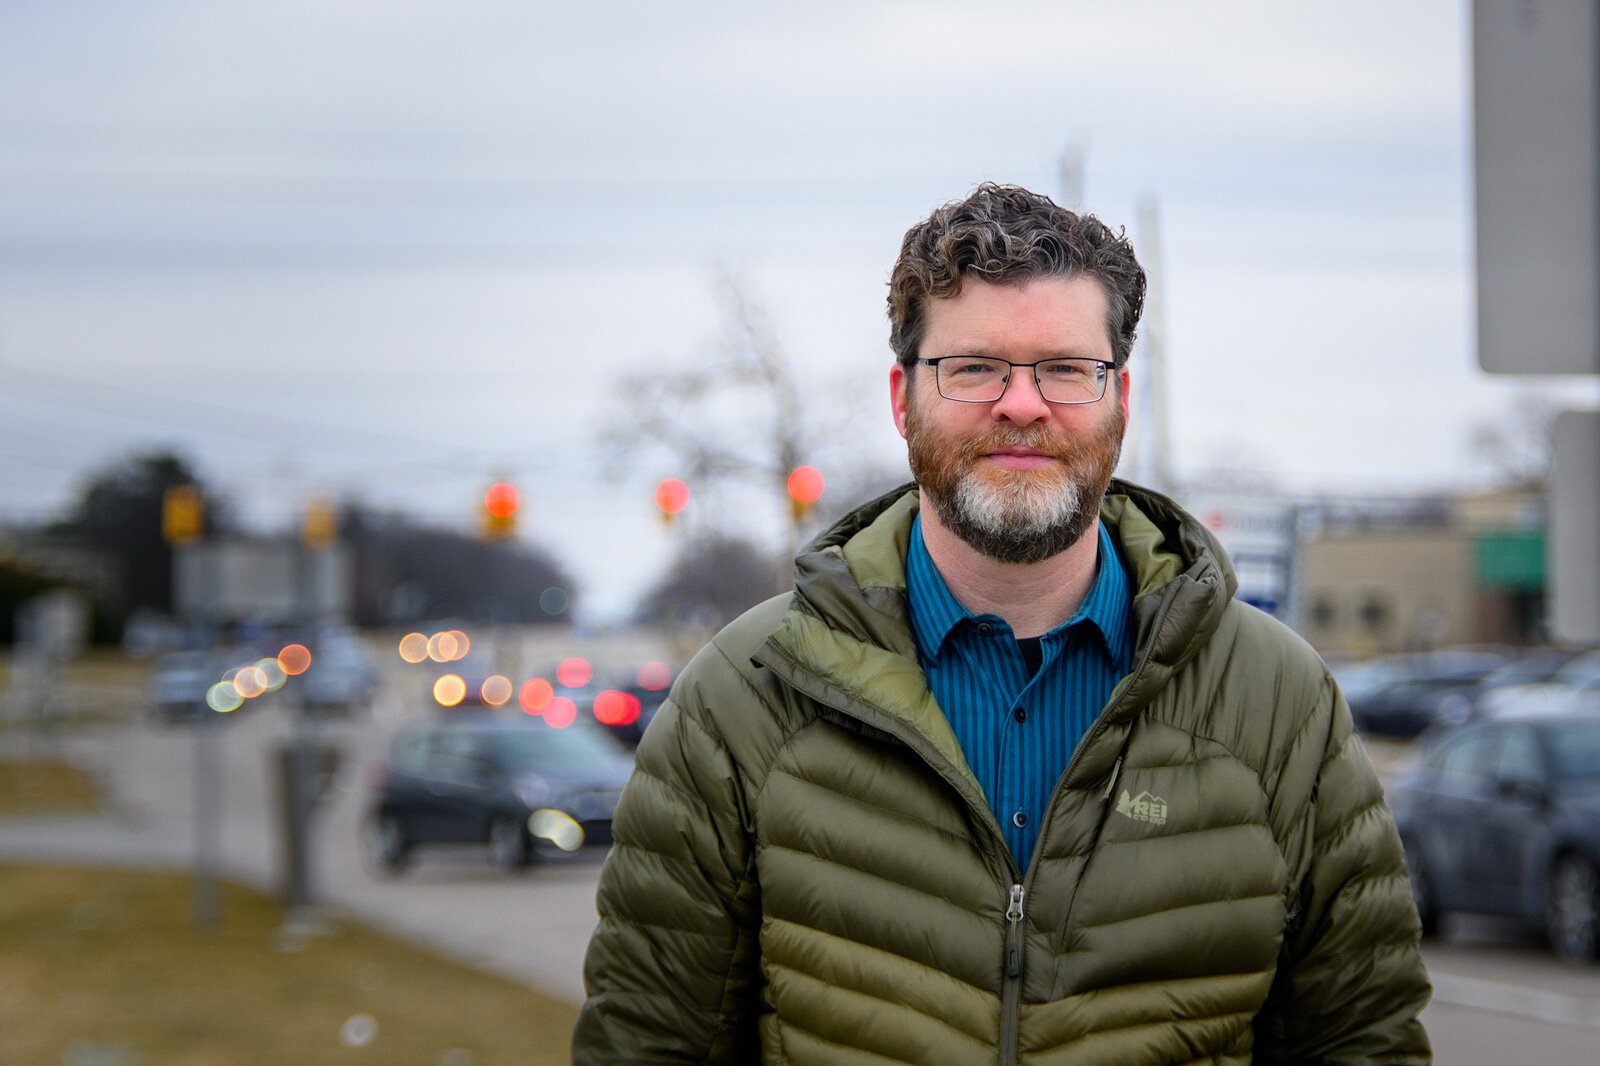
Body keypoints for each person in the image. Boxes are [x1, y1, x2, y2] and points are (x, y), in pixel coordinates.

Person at [573, 183, 1432, 1064]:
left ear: (1120, 400)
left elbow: (1366, 1043)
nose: (1022, 405)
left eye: (1064, 368)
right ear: (903, 397)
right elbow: (646, 1045)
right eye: (975, 366)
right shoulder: (744, 696)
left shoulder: (1275, 701)